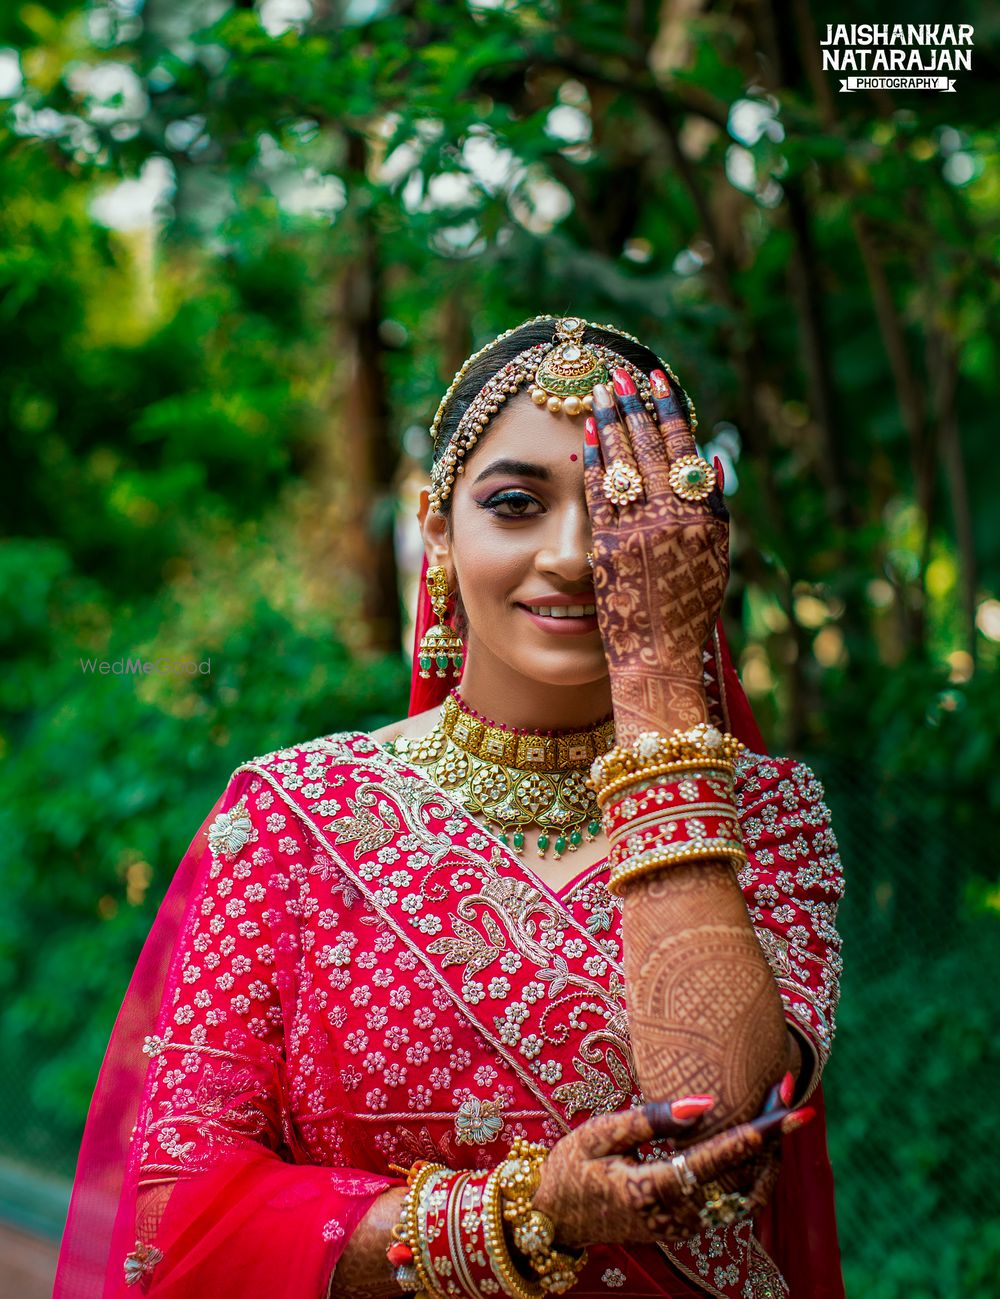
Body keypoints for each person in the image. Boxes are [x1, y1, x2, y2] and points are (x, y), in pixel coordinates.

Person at [53, 316, 845, 1299]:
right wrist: (520, 1219)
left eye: (620, 514)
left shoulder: (765, 815)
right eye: (516, 503)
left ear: (687, 548)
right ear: (437, 526)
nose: (569, 554)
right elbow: (179, 1216)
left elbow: (716, 1116)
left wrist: (656, 691)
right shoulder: (291, 820)